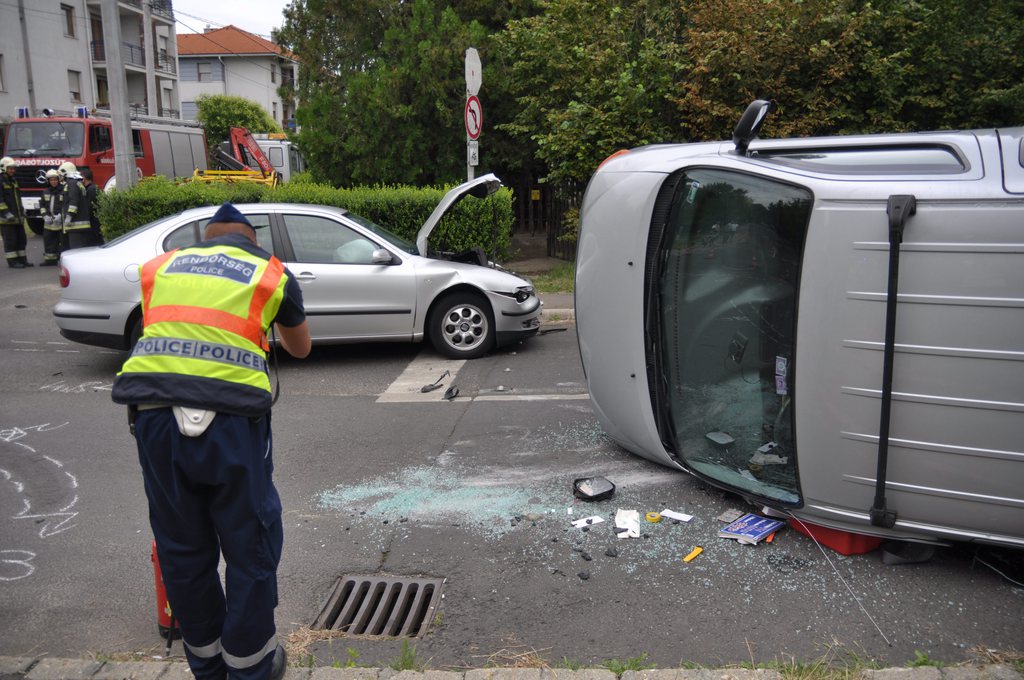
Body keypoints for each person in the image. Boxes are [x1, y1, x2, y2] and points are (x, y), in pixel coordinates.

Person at [111, 202, 311, 680]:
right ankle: (252, 667)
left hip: (154, 417)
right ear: (252, 238)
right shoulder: (268, 271)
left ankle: (207, 664)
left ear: (205, 238)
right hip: (231, 422)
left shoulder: (161, 267)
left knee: (182, 547)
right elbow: (301, 348)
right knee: (251, 544)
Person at [1, 156, 32, 268]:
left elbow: (17, 198)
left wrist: (22, 210)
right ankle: (13, 262)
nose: (13, 171)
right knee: (10, 241)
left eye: (13, 168)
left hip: (17, 217)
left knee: (21, 239)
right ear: (4, 168)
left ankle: (23, 260)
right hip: (6, 219)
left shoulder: (13, 180)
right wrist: (6, 213)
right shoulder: (1, 181)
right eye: (10, 168)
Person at [60, 162, 94, 249]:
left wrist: (69, 216)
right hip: (82, 224)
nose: (62, 177)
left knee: (76, 251)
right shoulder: (78, 183)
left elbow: (73, 201)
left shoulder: (71, 183)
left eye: (63, 174)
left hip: (75, 225)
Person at [39, 169, 65, 265]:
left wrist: (61, 216)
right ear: (48, 181)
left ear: (59, 180)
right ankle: (50, 260)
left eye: (55, 180)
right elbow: (42, 205)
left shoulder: (63, 190)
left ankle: (63, 261)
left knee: (62, 242)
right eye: (51, 180)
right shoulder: (45, 191)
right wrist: (45, 216)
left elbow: (66, 205)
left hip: (60, 223)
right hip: (48, 223)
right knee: (49, 241)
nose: (53, 182)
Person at [78, 168, 104, 246]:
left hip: (93, 223)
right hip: (95, 221)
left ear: (84, 178)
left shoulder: (90, 190)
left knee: (95, 242)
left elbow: (89, 207)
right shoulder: (93, 188)